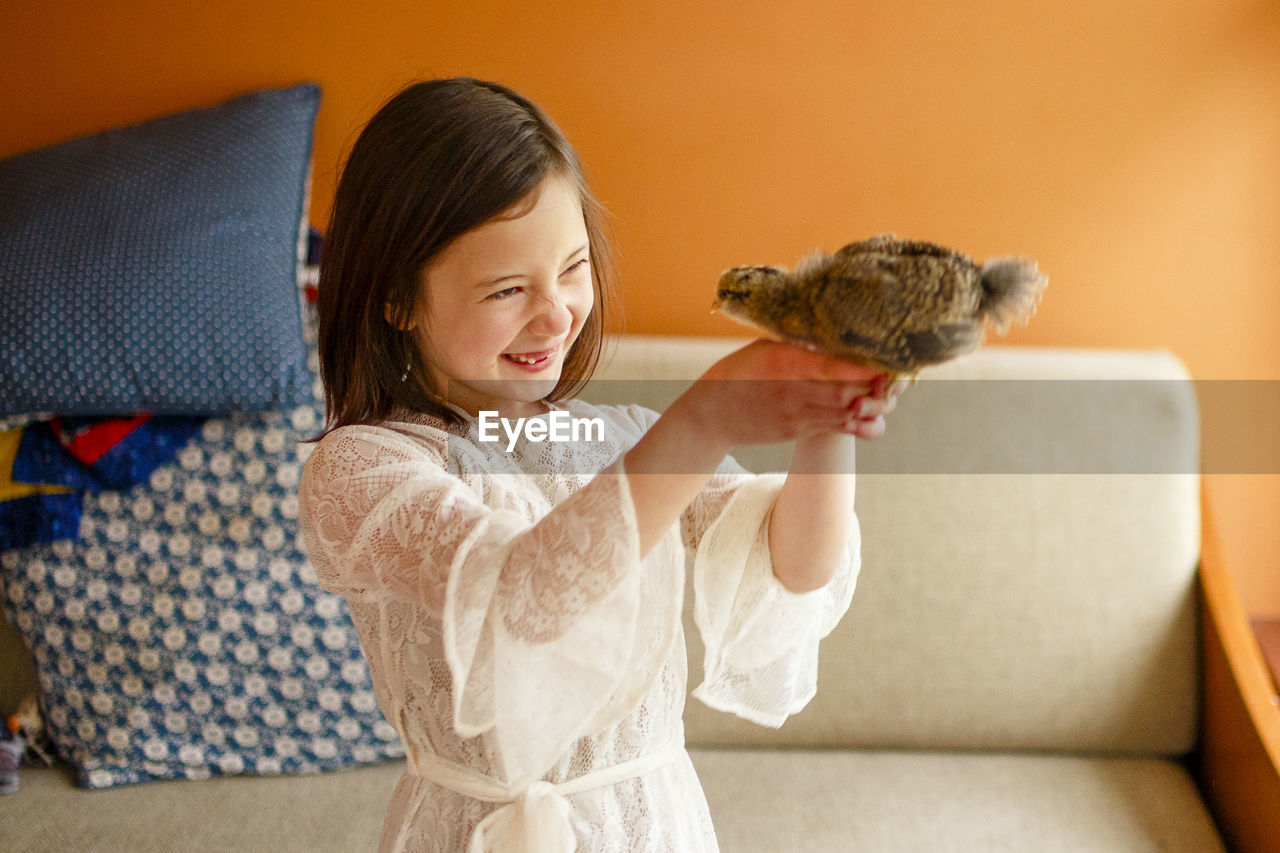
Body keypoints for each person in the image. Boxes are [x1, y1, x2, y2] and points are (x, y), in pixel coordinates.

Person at [298, 77, 901, 853]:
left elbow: (797, 565)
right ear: (396, 300)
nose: (556, 314)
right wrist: (707, 414)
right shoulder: (364, 470)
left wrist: (828, 418)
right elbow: (522, 596)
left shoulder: (624, 444)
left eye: (573, 267)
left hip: (650, 827)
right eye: (508, 288)